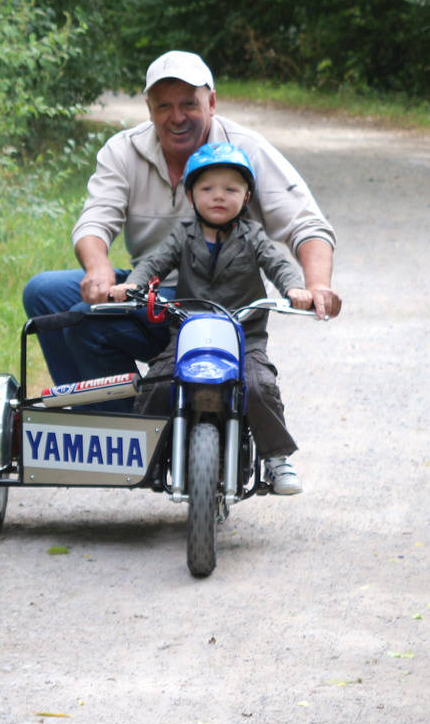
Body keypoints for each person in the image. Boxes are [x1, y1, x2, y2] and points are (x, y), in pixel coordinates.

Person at [21, 50, 341, 412]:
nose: (177, 117)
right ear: (148, 108)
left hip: (217, 303)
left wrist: (316, 286)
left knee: (87, 324)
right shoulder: (124, 150)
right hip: (149, 292)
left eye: (189, 104)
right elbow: (95, 220)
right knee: (43, 293)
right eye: (163, 106)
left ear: (212, 102)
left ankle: (130, 433)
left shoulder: (245, 149)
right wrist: (98, 268)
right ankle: (91, 416)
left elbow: (306, 224)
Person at [110, 142, 311, 494]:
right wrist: (132, 284)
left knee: (259, 386)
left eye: (230, 189)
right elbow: (154, 262)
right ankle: (144, 454)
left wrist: (295, 289)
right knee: (158, 383)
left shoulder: (253, 237)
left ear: (246, 196)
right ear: (190, 196)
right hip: (191, 333)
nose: (218, 196)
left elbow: (279, 264)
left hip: (242, 337)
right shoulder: (183, 236)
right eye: (207, 189)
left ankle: (277, 458)